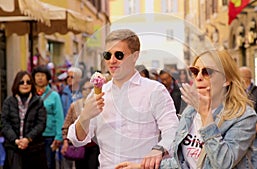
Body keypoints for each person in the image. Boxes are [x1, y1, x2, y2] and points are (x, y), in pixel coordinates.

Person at [116, 50, 257, 169]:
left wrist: (205, 115)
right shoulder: (190, 111)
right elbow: (181, 162)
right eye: (195, 71)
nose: (199, 77)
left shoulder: (243, 116)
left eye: (207, 72)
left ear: (226, 79)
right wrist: (141, 166)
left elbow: (224, 163)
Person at [67, 29, 179, 169]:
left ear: (135, 56)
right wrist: (84, 117)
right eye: (107, 55)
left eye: (119, 55)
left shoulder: (155, 91)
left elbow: (173, 130)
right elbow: (77, 140)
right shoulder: (98, 94)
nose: (112, 61)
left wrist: (159, 149)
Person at [1, 71, 47, 169]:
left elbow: (41, 123)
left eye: (28, 82)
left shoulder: (38, 102)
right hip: (14, 148)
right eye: (22, 82)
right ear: (17, 84)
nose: (25, 84)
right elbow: (4, 123)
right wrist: (16, 140)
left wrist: (28, 139)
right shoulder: (8, 102)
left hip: (34, 148)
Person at [61, 78, 100, 169]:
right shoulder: (75, 105)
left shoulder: (99, 104)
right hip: (79, 146)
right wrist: (65, 141)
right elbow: (66, 125)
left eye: (91, 88)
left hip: (94, 146)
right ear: (81, 91)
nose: (88, 91)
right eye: (85, 89)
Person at [32, 66, 64, 169]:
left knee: (49, 164)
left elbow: (59, 116)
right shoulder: (30, 94)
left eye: (42, 75)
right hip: (33, 136)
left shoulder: (54, 95)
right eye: (37, 75)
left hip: (49, 136)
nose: (40, 78)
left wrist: (59, 136)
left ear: (47, 78)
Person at [61, 67, 83, 168]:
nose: (69, 79)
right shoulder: (62, 93)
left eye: (72, 77)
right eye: (68, 77)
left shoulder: (83, 92)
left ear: (79, 78)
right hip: (65, 131)